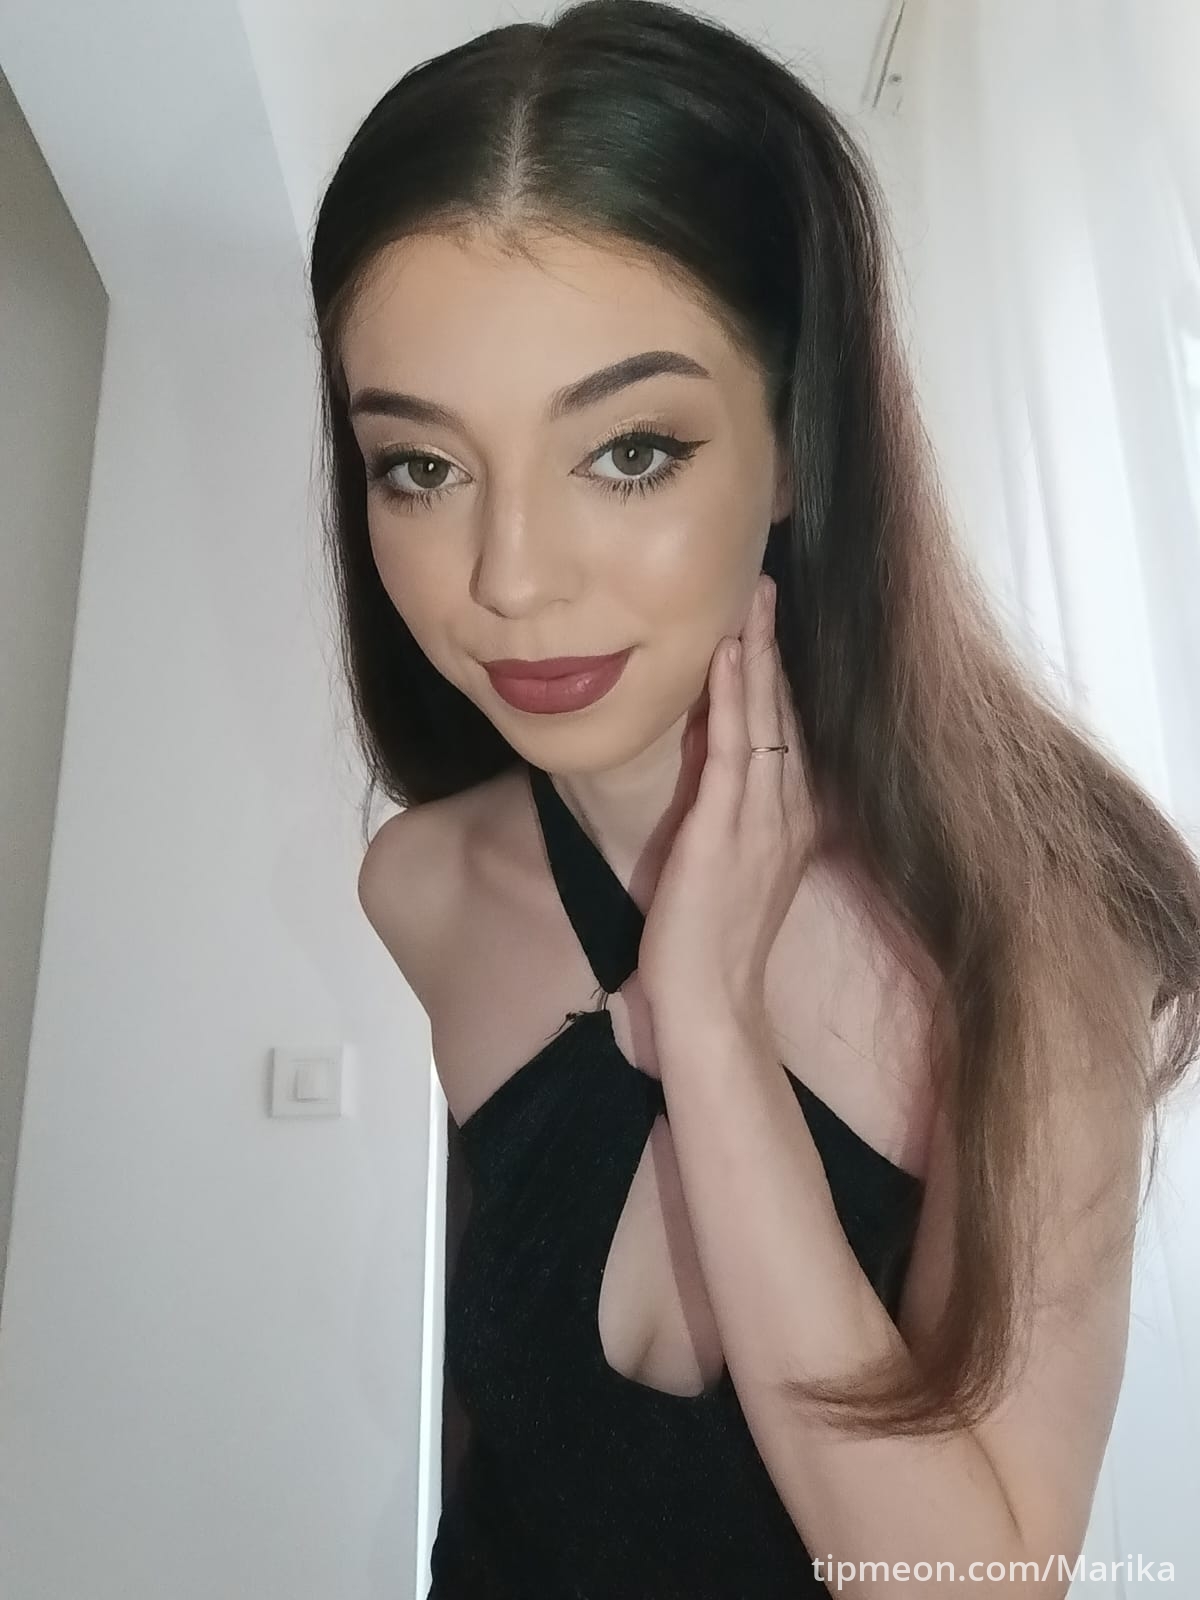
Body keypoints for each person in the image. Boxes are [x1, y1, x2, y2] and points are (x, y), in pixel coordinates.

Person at [307, 1, 1200, 1594]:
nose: (510, 578)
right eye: (421, 468)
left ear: (795, 444)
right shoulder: (428, 891)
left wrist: (712, 1028)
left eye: (628, 451)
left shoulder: (1031, 938)